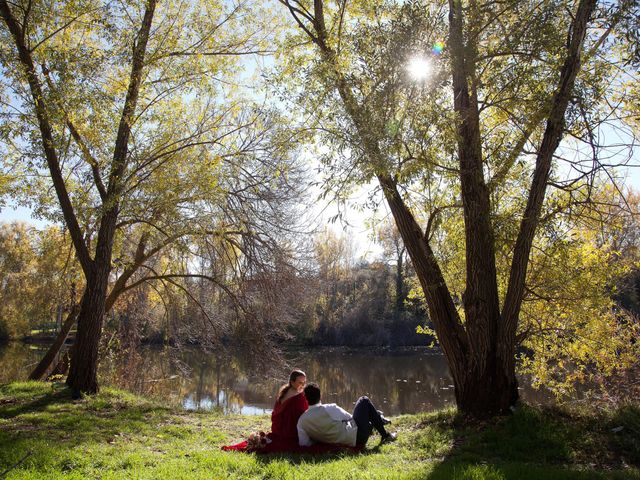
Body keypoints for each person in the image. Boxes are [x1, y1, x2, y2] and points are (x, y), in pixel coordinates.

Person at [221, 369, 308, 452]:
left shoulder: (285, 391)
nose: (303, 385)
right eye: (300, 382)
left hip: (277, 430)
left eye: (304, 382)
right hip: (288, 433)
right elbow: (304, 414)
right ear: (292, 382)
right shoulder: (299, 396)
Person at [297, 383, 396, 448]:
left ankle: (378, 417)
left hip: (345, 441)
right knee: (364, 400)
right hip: (358, 437)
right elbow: (350, 418)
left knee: (369, 415)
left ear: (305, 399)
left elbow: (304, 444)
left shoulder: (301, 421)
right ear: (320, 396)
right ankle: (385, 435)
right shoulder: (330, 408)